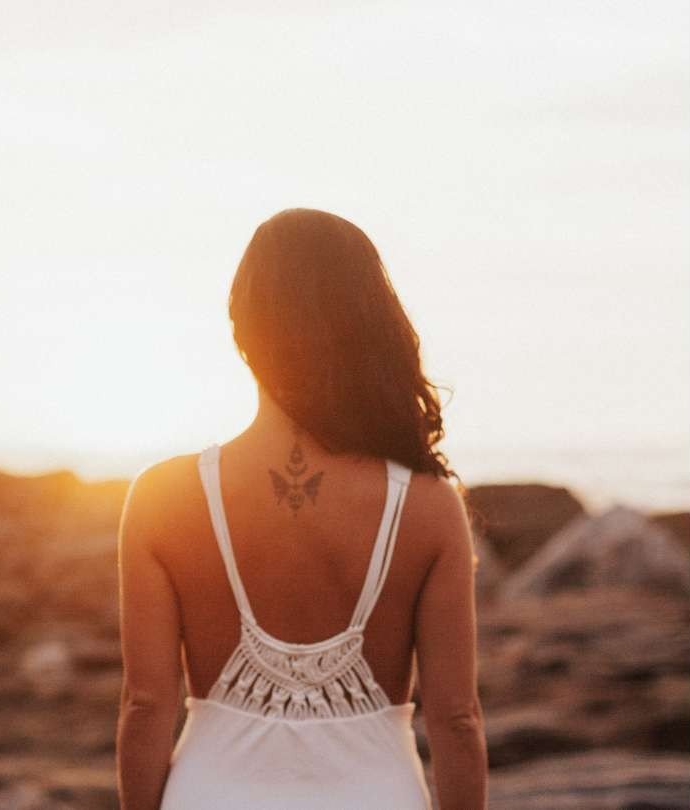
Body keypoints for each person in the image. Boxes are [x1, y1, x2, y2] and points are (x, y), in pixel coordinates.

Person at [116, 208, 488, 809]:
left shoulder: (163, 496)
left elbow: (145, 703)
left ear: (242, 329)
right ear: (368, 326)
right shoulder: (429, 506)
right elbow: (458, 720)